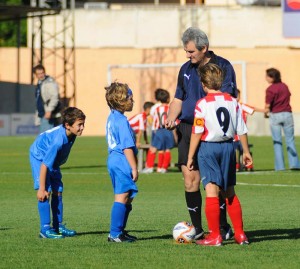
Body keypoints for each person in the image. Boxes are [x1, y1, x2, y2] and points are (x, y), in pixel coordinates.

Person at [165, 27, 236, 240]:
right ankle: (197, 228)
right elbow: (178, 98)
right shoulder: (185, 69)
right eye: (186, 52)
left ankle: (222, 227)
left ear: (204, 48)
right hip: (187, 129)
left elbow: (228, 98)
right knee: (190, 180)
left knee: (217, 184)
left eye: (191, 52)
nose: (187, 56)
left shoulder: (223, 66)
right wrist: (170, 116)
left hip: (211, 131)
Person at [187, 63, 252, 246]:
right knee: (229, 191)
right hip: (229, 148)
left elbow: (197, 131)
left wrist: (191, 156)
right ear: (221, 82)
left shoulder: (202, 104)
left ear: (203, 84)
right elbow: (242, 129)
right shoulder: (233, 101)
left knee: (211, 191)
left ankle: (215, 236)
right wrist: (246, 152)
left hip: (209, 148)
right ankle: (240, 235)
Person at [29, 107, 86, 239]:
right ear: (67, 125)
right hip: (40, 157)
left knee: (58, 190)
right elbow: (44, 164)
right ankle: (45, 229)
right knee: (45, 193)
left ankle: (58, 226)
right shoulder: (58, 141)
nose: (82, 127)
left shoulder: (71, 133)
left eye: (83, 124)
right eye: (79, 125)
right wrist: (41, 188)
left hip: (51, 159)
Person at [105, 82, 139, 243]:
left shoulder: (113, 117)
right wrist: (134, 167)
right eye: (131, 98)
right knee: (122, 196)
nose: (133, 101)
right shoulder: (122, 121)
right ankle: (115, 233)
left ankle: (120, 231)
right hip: (121, 160)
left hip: (114, 159)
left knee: (128, 196)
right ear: (122, 100)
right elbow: (127, 147)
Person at [264, 68, 300, 171]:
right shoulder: (285, 86)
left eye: (267, 76)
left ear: (272, 77)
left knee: (277, 142)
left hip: (276, 115)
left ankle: (280, 167)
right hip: (287, 114)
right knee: (290, 140)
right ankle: (295, 164)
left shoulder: (270, 89)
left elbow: (268, 105)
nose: (265, 78)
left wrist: (266, 113)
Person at [142, 89, 176, 173]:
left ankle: (150, 167)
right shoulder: (170, 107)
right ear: (168, 98)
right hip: (168, 130)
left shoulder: (155, 108)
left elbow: (152, 118)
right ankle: (163, 168)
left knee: (154, 148)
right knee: (167, 149)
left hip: (158, 130)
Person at [234, 89, 266, 172]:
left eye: (238, 96)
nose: (237, 98)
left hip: (242, 135)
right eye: (235, 95)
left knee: (244, 149)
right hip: (232, 135)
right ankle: (235, 164)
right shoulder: (229, 105)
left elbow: (253, 109)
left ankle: (247, 163)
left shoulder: (242, 106)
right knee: (232, 150)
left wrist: (264, 111)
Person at [33, 64, 62, 133]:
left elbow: (54, 97)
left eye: (42, 73)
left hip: (48, 114)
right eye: (38, 74)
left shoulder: (49, 82)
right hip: (42, 114)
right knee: (45, 137)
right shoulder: (40, 83)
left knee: (46, 138)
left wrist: (49, 110)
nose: (41, 75)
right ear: (35, 75)